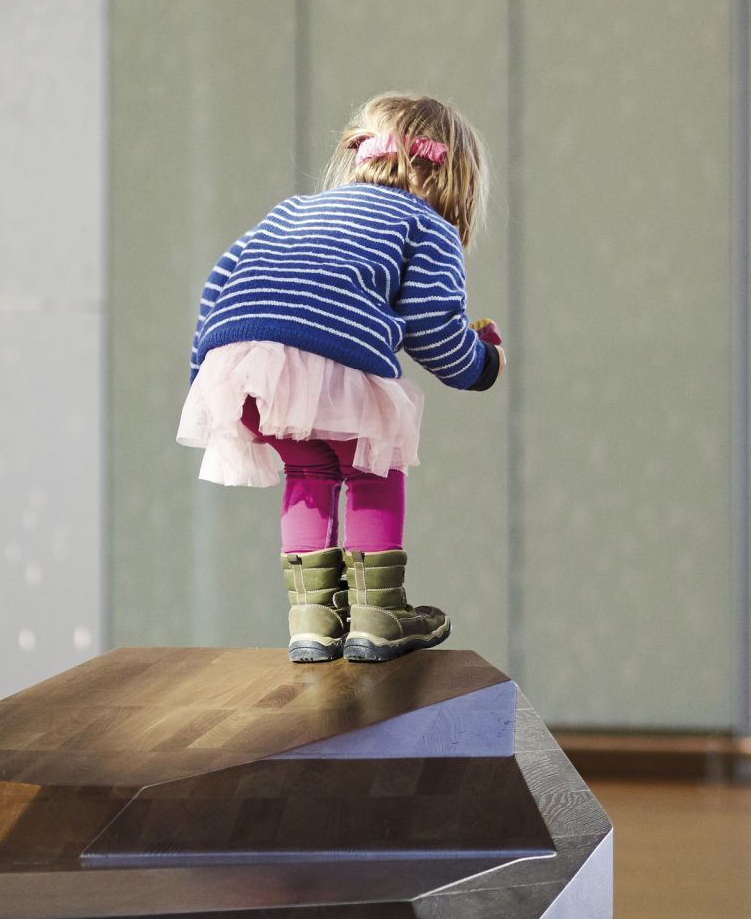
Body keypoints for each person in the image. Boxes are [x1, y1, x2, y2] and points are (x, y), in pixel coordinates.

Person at [177, 92, 505, 665]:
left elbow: (219, 282)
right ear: (454, 180)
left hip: (242, 365)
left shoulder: (292, 210)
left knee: (307, 468)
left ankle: (311, 621)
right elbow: (433, 323)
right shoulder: (425, 225)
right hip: (329, 355)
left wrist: (205, 383)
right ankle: (378, 615)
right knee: (372, 465)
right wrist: (481, 363)